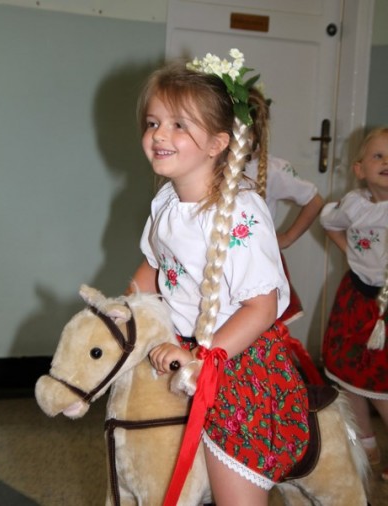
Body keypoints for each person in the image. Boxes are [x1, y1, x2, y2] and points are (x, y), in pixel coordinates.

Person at [126, 49, 309, 506]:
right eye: (153, 123)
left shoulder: (241, 212)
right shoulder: (167, 202)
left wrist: (201, 359)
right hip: (181, 354)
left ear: (217, 143)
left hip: (236, 368)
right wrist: (127, 312)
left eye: (178, 125)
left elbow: (261, 307)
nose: (159, 134)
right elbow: (154, 266)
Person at [320, 126, 388, 478]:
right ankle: (367, 444)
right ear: (359, 169)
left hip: (384, 311)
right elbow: (328, 221)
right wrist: (350, 252)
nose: (387, 162)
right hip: (357, 300)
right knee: (349, 374)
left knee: (382, 386)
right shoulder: (354, 205)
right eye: (378, 155)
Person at [244, 86, 324, 324]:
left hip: (259, 267)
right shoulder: (212, 166)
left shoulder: (274, 170)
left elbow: (314, 200)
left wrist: (287, 237)